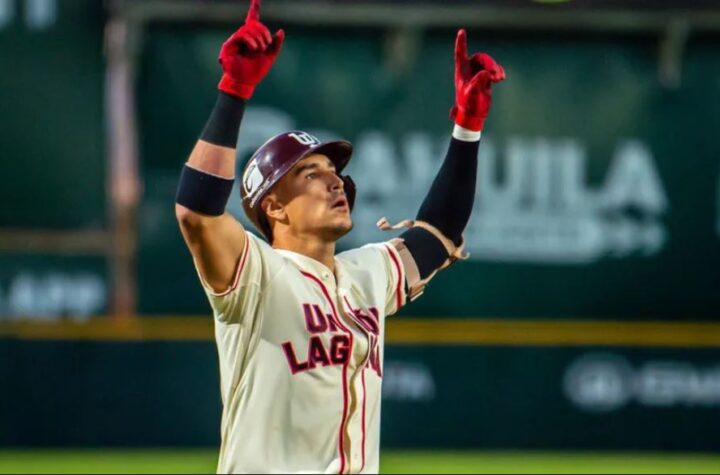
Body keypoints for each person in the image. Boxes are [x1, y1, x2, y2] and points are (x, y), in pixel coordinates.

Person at [175, 0, 505, 472]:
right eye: (310, 174)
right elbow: (196, 213)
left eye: (334, 171)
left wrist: (467, 128)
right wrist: (234, 91)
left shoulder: (366, 274)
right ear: (273, 207)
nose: (335, 181)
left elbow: (440, 233)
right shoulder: (256, 276)